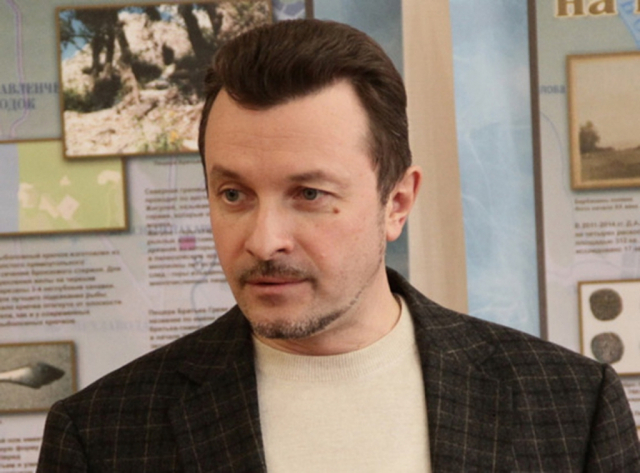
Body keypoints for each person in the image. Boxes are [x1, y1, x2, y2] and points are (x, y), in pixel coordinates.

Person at [38, 19, 640, 472]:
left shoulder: (571, 407)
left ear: (396, 203)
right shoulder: (101, 436)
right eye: (233, 194)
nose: (264, 240)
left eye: (309, 194)